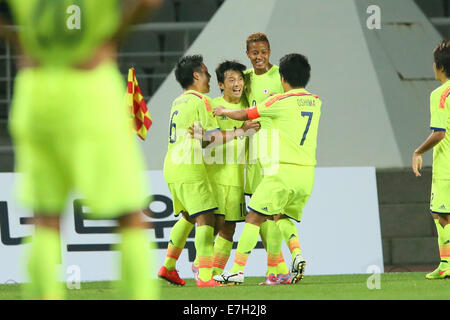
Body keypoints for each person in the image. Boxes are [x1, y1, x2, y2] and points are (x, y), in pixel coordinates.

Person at [4, 0, 162, 299]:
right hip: (91, 90)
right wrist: (111, 37)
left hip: (36, 91)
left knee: (45, 218)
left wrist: (20, 41)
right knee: (129, 214)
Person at [213, 53, 321, 285]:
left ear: (282, 78)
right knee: (282, 217)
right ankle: (297, 255)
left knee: (253, 217)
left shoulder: (278, 102)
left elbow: (245, 114)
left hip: (281, 171)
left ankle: (237, 271)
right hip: (307, 173)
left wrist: (224, 112)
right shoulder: (316, 101)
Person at [158, 55, 258, 287]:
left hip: (172, 164)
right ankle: (204, 277)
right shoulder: (201, 100)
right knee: (206, 218)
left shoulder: (178, 101)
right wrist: (241, 131)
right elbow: (206, 138)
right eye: (205, 71)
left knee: (189, 215)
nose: (209, 76)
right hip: (189, 166)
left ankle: (169, 267)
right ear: (196, 75)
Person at [242, 32, 292, 283]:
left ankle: (280, 269)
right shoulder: (245, 78)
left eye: (263, 52)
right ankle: (278, 268)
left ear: (269, 52)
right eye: (254, 52)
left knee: (271, 211)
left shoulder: (281, 77)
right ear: (248, 54)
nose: (259, 56)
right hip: (253, 151)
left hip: (275, 148)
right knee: (260, 209)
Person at [206, 60, 248, 277]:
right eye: (231, 79)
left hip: (238, 178)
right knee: (214, 224)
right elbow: (206, 139)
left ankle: (215, 274)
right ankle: (202, 266)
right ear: (221, 84)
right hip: (217, 175)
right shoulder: (213, 106)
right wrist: (241, 130)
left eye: (240, 78)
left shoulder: (249, 107)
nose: (237, 83)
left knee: (230, 228)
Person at [412, 40, 450, 280]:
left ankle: (446, 265)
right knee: (440, 215)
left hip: (447, 166)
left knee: (443, 215)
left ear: (439, 67)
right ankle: (445, 263)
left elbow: (439, 133)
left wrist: (418, 152)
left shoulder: (439, 94)